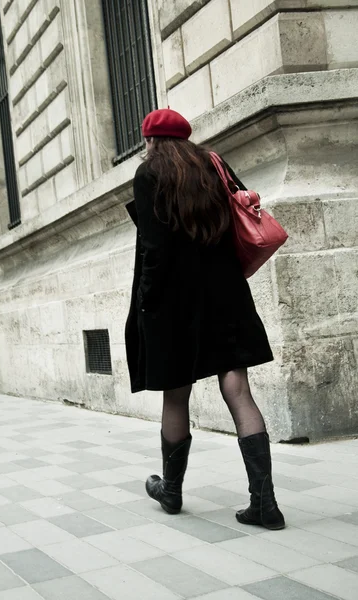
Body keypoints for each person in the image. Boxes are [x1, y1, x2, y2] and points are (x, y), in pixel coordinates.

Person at [125, 108, 285, 530]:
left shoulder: (148, 175)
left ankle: (172, 492)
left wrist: (146, 302)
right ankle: (265, 504)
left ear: (151, 140)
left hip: (174, 301)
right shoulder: (213, 164)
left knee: (176, 395)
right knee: (238, 388)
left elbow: (154, 249)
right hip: (224, 293)